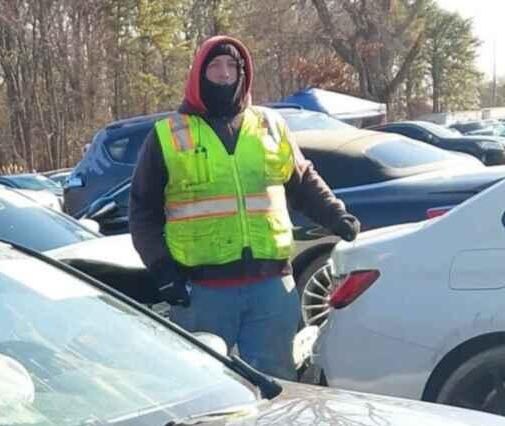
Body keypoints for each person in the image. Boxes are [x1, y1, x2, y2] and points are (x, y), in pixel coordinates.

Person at [128, 35, 359, 381]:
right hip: (202, 293)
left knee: (276, 383)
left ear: (244, 73)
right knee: (204, 387)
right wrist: (163, 272)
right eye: (215, 66)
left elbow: (302, 181)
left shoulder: (270, 126)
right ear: (198, 75)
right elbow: (142, 212)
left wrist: (336, 214)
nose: (224, 74)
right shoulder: (169, 134)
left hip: (271, 288)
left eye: (232, 66)